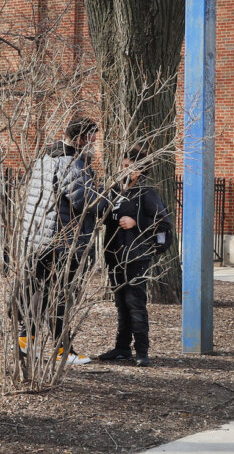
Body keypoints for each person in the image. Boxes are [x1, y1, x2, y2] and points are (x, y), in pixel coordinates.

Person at [17, 117, 100, 365]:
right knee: (59, 297)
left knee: (39, 296)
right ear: (82, 139)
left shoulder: (46, 159)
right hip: (60, 242)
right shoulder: (70, 164)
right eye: (93, 140)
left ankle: (26, 343)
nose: (95, 145)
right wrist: (109, 202)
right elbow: (84, 201)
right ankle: (63, 352)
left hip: (38, 240)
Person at [97, 148, 171, 367]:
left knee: (135, 303)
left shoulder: (146, 193)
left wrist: (136, 223)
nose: (125, 169)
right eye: (123, 165)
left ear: (141, 169)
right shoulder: (116, 192)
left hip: (136, 256)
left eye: (130, 166)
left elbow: (163, 223)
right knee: (121, 303)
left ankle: (141, 351)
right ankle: (122, 348)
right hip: (115, 256)